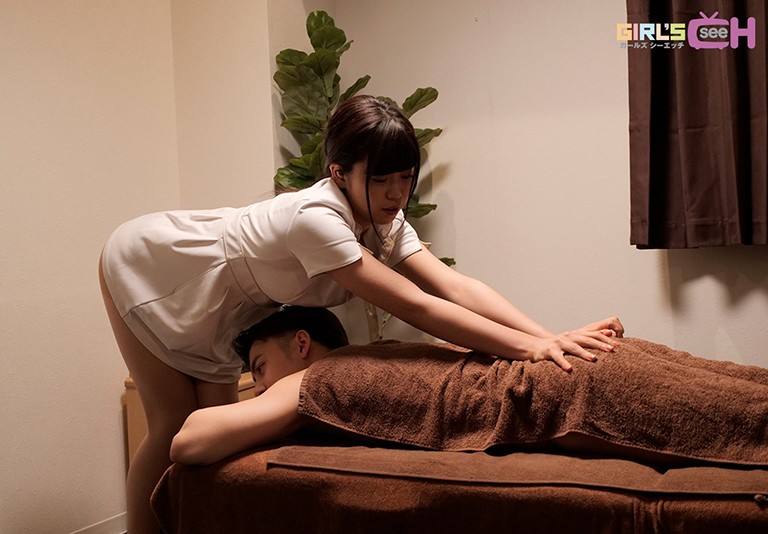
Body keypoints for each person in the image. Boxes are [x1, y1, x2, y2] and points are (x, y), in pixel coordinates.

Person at [99, 95, 623, 533]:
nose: (396, 193)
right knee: (170, 425)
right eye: (380, 179)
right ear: (339, 173)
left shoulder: (383, 219)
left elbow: (453, 285)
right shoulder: (316, 220)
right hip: (160, 269)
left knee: (215, 447)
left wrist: (550, 338)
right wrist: (532, 347)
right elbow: (417, 304)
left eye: (405, 177)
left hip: (227, 308)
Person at [171, 306, 768, 468]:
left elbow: (188, 441)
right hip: (584, 369)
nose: (260, 385)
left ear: (301, 344)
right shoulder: (380, 352)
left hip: (573, 391)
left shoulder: (313, 380)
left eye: (258, 366)